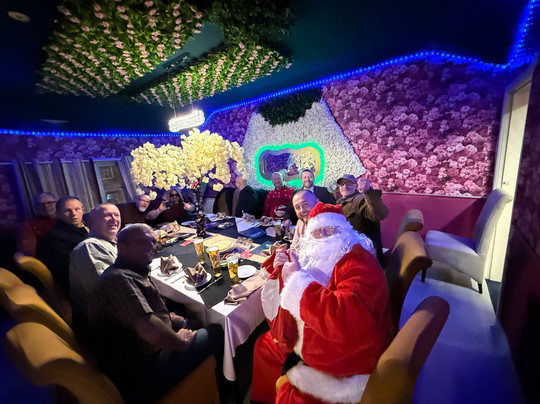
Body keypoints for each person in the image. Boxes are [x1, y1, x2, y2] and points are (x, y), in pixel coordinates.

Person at [265, 202, 393, 403]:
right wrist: (286, 269)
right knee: (266, 345)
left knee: (269, 353)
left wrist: (296, 279)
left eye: (330, 229)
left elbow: (347, 320)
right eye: (317, 232)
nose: (324, 236)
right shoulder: (334, 257)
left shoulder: (358, 261)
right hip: (330, 337)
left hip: (353, 360)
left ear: (345, 231)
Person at [88, 224, 223, 404]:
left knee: (185, 310)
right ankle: (224, 391)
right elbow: (149, 329)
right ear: (122, 248)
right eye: (143, 242)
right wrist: (181, 343)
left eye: (153, 241)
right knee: (216, 331)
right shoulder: (117, 280)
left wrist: (183, 322)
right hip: (142, 374)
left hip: (145, 353)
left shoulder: (129, 272)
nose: (152, 247)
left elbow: (151, 310)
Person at [250, 189, 319, 404]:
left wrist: (293, 270)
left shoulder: (325, 229)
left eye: (306, 204)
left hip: (315, 310)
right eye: (297, 207)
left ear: (317, 201)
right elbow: (296, 250)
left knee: (262, 344)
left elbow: (318, 273)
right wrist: (284, 255)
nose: (302, 210)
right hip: (304, 291)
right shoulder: (301, 224)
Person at [69, 203, 120, 336]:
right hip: (107, 325)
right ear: (92, 222)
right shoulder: (90, 248)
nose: (114, 219)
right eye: (107, 216)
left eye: (116, 215)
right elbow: (111, 293)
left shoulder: (111, 242)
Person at [39, 196, 88, 296]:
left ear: (83, 210)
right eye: (67, 211)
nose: (74, 214)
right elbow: (73, 267)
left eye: (77, 209)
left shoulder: (82, 227)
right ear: (58, 214)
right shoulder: (56, 238)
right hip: (77, 285)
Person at [337, 174, 389, 262]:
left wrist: (368, 191)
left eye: (349, 183)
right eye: (342, 184)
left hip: (366, 256)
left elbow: (380, 214)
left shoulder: (361, 199)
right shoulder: (339, 202)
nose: (345, 186)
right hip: (349, 251)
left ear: (356, 186)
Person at [17, 192, 57, 256]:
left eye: (50, 203)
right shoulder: (29, 226)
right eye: (41, 204)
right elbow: (28, 254)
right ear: (35, 207)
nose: (46, 206)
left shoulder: (66, 218)